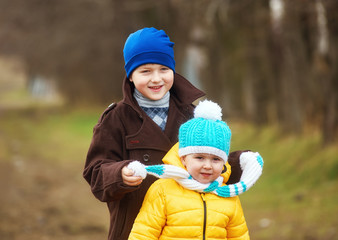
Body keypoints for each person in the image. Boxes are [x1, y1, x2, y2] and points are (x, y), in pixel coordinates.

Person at [83, 27, 258, 240]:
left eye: (164, 69)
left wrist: (240, 161)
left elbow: (211, 160)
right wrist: (119, 174)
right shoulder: (116, 118)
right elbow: (95, 171)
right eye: (145, 71)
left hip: (186, 230)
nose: (156, 79)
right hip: (133, 229)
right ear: (130, 76)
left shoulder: (194, 115)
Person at [127, 100, 263, 240]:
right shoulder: (162, 190)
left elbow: (239, 235)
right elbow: (144, 233)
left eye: (216, 159)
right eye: (199, 157)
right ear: (184, 158)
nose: (208, 165)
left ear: (223, 162)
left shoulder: (228, 195)